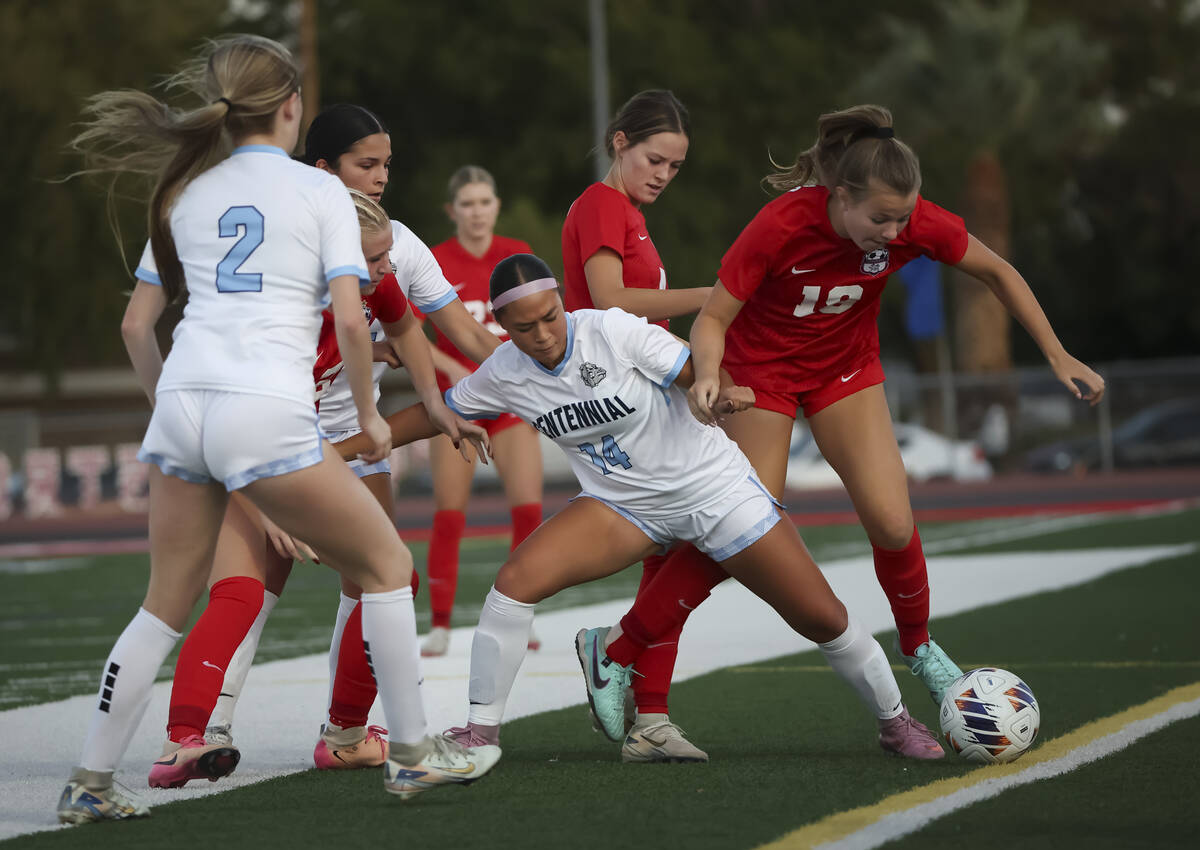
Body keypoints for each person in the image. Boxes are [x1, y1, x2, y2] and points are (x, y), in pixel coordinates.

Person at [56, 36, 499, 824]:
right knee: (387, 565)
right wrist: (371, 417)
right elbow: (355, 325)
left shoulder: (186, 191)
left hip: (183, 401)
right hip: (263, 405)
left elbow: (135, 326)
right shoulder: (321, 192)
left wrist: (172, 411)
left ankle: (89, 782)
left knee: (161, 607)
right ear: (291, 106)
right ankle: (411, 755)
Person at [341, 254, 945, 764]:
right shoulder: (505, 371)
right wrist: (337, 452)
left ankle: (896, 722)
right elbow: (432, 414)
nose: (544, 334)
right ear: (503, 326)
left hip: (715, 492)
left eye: (550, 316)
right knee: (514, 582)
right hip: (624, 506)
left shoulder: (610, 330)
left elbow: (695, 371)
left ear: (561, 302)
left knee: (822, 617)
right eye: (525, 327)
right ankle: (480, 733)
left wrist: (715, 393)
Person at [641, 104, 1105, 708]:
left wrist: (1057, 354)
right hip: (760, 375)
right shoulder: (781, 224)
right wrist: (708, 374)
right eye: (880, 219)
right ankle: (621, 650)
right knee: (742, 529)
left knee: (892, 522)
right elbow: (712, 319)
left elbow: (997, 271)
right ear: (840, 197)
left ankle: (920, 647)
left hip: (845, 369)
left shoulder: (912, 222)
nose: (893, 232)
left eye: (903, 218)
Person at [176, 104, 508, 778]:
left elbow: (421, 327)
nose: (382, 177)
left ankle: (344, 732)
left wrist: (552, 364)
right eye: (367, 164)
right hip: (268, 433)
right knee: (248, 585)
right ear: (322, 171)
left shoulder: (387, 245)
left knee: (378, 581)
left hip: (339, 438)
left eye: (387, 164)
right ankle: (198, 731)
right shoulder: (289, 254)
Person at [560, 89, 716, 762]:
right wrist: (715, 298)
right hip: (620, 399)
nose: (664, 175)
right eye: (655, 159)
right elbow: (611, 301)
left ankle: (650, 713)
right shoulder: (602, 204)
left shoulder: (628, 213)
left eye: (675, 166)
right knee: (699, 539)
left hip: (644, 394)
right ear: (620, 141)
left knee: (675, 549)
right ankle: (618, 660)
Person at [419, 165, 544, 658]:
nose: (476, 212)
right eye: (467, 204)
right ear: (452, 211)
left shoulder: (517, 253)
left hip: (510, 401)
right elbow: (407, 333)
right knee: (449, 515)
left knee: (529, 511)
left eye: (484, 202)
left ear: (497, 206)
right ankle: (440, 624)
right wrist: (450, 365)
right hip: (457, 404)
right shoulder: (434, 259)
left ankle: (520, 614)